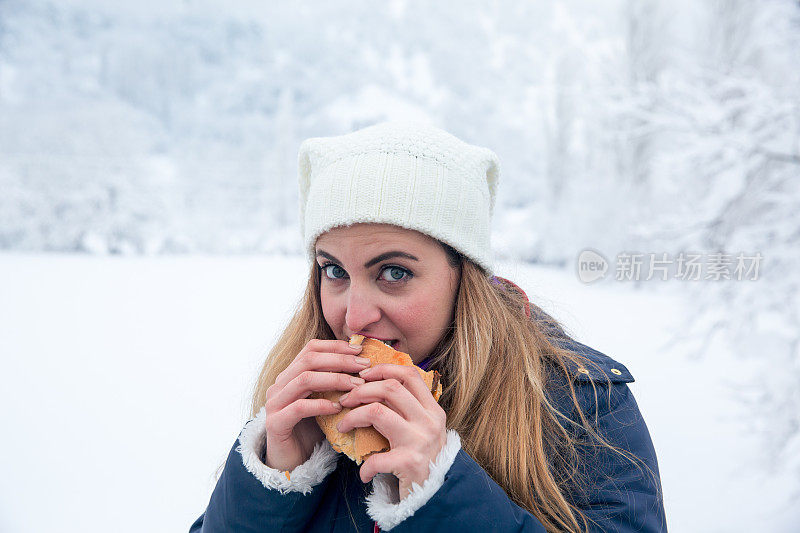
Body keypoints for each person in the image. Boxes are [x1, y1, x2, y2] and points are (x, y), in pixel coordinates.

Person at [189, 122, 667, 532]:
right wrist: (272, 482)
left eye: (394, 272)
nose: (354, 319)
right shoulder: (306, 409)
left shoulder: (581, 407)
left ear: (465, 277)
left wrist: (441, 492)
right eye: (334, 271)